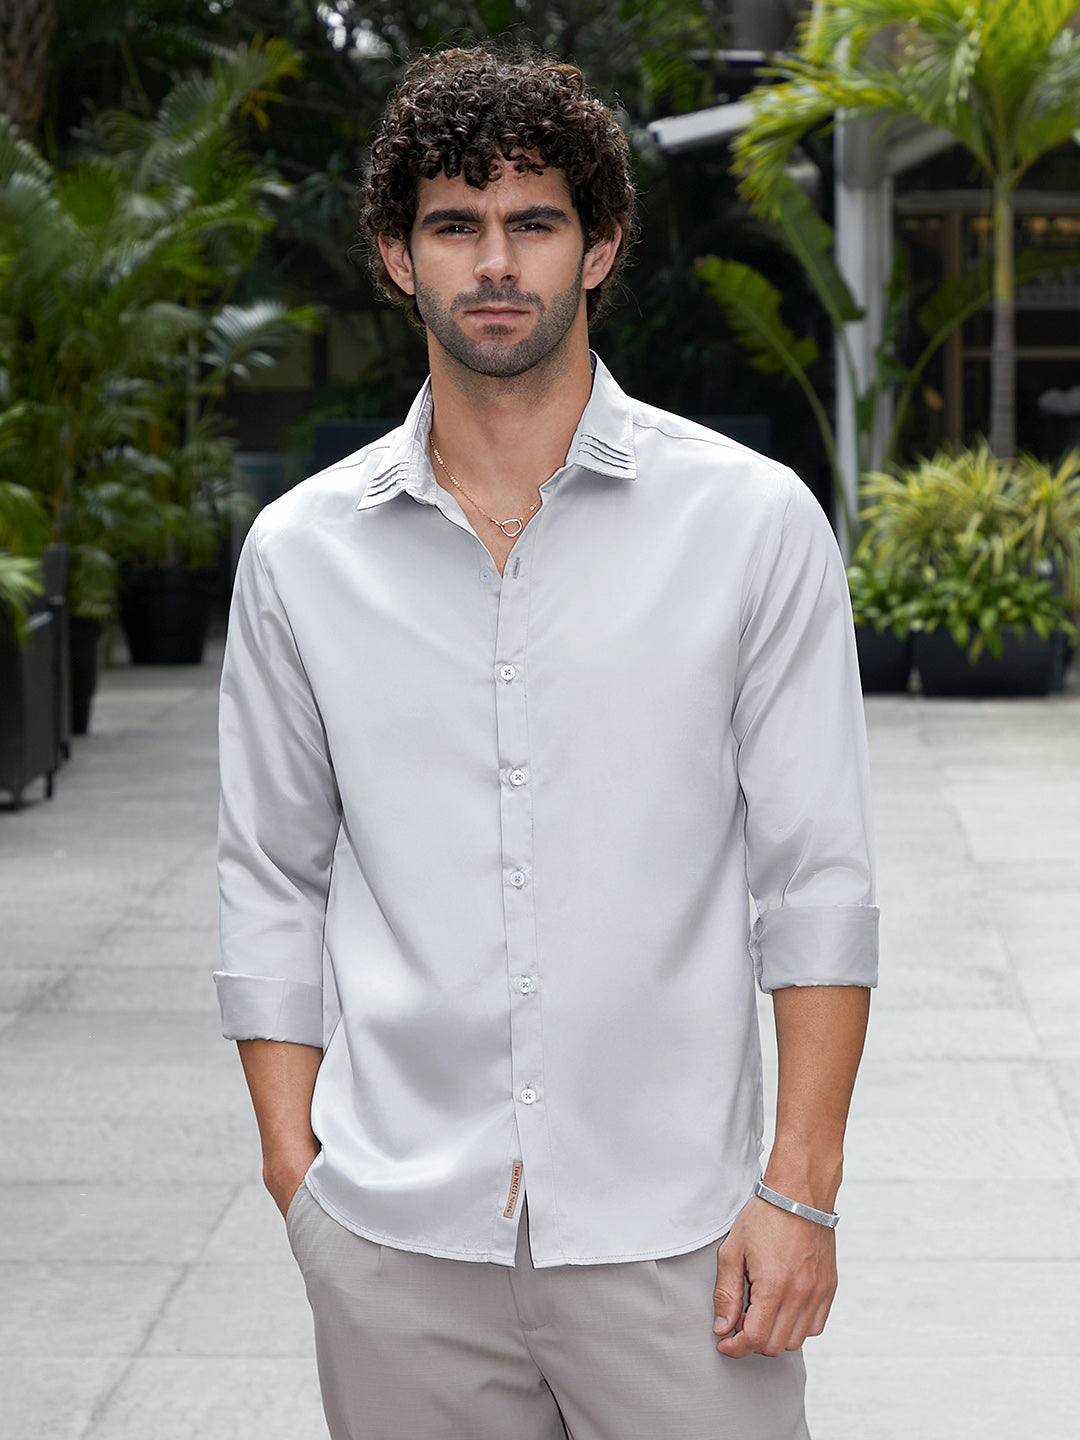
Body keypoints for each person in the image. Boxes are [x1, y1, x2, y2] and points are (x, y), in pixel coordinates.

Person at [215, 45, 878, 1440]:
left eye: (534, 221)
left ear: (602, 246)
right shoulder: (299, 554)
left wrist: (802, 1186)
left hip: (682, 1238)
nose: (496, 262)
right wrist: (295, 1171)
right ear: (398, 258)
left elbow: (816, 876)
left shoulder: (752, 525)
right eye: (455, 224)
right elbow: (271, 871)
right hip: (397, 1240)